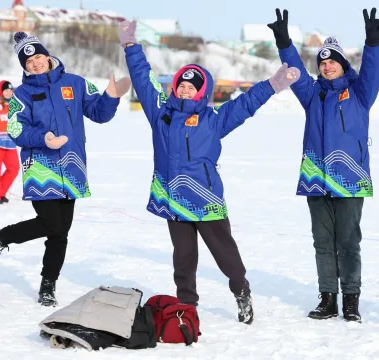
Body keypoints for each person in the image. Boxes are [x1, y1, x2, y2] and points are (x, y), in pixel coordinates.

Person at [118, 20, 300, 325]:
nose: (186, 90)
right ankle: (186, 304)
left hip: (205, 197)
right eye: (182, 85)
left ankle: (241, 291)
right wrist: (130, 46)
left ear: (202, 92)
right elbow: (142, 79)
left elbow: (245, 104)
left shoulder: (214, 119)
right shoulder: (161, 113)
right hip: (172, 197)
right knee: (183, 256)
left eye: (192, 87)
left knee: (225, 253)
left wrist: (273, 85)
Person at [0, 31, 131, 307]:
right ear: (24, 66)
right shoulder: (22, 94)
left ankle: (48, 284)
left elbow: (99, 114)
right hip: (41, 167)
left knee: (60, 232)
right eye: (28, 61)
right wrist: (42, 138)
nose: (35, 63)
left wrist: (111, 96)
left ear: (47, 55)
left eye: (38, 57)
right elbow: (17, 130)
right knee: (51, 224)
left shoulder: (76, 83)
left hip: (72, 165)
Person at [266, 8, 379, 322]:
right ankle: (328, 298)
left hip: (350, 180)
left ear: (343, 64)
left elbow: (372, 72)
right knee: (322, 242)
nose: (327, 65)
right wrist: (284, 41)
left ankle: (351, 300)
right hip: (316, 180)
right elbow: (294, 70)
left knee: (348, 242)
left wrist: (373, 42)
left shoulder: (359, 93)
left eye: (332, 61)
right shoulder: (312, 93)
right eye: (322, 61)